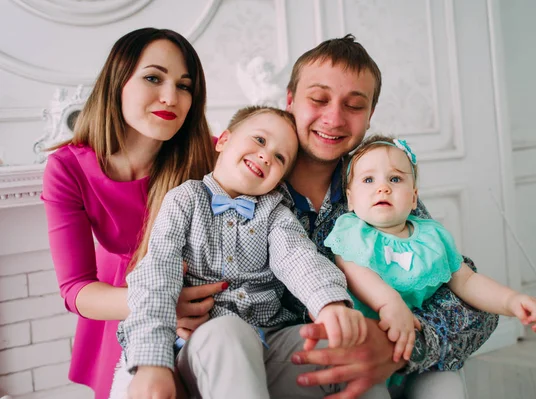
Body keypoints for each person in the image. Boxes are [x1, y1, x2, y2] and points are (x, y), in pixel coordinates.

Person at [281, 34, 500, 399]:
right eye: (318, 99)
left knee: (444, 386)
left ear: (369, 118)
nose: (333, 118)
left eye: (354, 106)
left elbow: (474, 303)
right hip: (298, 369)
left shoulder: (381, 188)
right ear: (290, 100)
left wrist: (397, 351)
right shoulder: (256, 189)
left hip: (386, 368)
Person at [118, 105, 390, 399]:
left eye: (279, 157)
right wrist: (152, 363)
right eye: (260, 140)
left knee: (352, 359)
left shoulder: (275, 211)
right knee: (227, 332)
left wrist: (329, 302)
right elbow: (158, 273)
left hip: (268, 341)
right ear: (223, 141)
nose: (265, 156)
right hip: (205, 346)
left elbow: (298, 257)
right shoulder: (185, 200)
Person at [41, 28, 222, 399]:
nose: (170, 97)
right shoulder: (67, 167)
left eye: (184, 86)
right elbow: (75, 289)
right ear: (116, 83)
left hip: (202, 311)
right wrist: (158, 303)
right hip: (121, 300)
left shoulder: (215, 154)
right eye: (153, 78)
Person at [324, 135, 536, 387]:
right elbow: (353, 269)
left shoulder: (432, 237)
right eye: (368, 180)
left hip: (413, 348)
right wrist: (389, 303)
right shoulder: (352, 230)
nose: (383, 188)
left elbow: (467, 281)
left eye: (395, 179)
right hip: (363, 344)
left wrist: (512, 301)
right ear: (350, 199)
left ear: (414, 197)